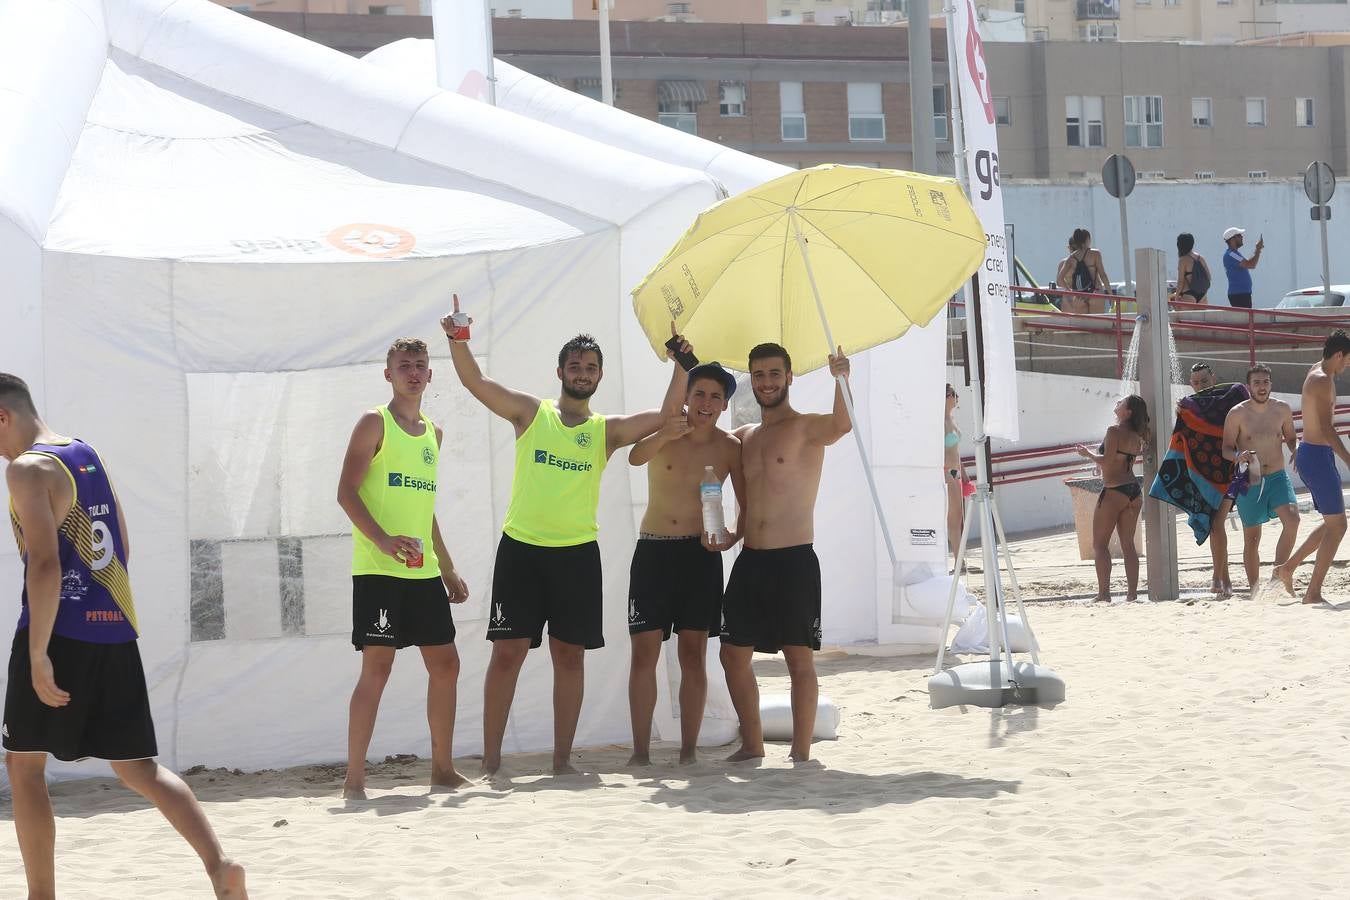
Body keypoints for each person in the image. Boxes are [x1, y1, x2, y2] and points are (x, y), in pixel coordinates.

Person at [0, 373, 247, 899]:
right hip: (113, 626)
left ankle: (40, 895)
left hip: (56, 629)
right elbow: (121, 547)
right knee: (139, 768)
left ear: (3, 417)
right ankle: (220, 866)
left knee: (23, 764)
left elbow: (43, 565)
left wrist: (40, 652)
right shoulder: (87, 454)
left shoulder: (27, 469)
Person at [442, 298, 688, 776]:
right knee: (507, 654)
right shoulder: (532, 414)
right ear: (560, 371)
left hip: (576, 556)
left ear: (599, 377)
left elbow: (663, 417)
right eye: (575, 365)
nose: (582, 372)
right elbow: (476, 383)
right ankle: (491, 762)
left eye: (590, 367)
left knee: (569, 656)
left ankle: (561, 762)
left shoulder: (606, 430)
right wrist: (457, 338)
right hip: (522, 551)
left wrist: (681, 363)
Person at [337, 338, 470, 800]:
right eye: (403, 365)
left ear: (431, 375)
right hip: (378, 570)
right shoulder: (374, 422)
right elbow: (346, 494)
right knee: (378, 667)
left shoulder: (434, 434)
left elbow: (424, 509)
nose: (413, 372)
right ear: (388, 374)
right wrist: (384, 541)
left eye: (420, 365)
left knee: (447, 665)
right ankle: (354, 780)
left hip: (422, 571)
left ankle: (443, 770)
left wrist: (447, 568)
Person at [720, 342, 852, 764]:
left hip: (794, 559)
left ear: (789, 377)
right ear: (752, 381)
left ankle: (801, 751)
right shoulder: (745, 438)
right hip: (751, 559)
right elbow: (699, 432)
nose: (767, 382)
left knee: (799, 660)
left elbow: (842, 424)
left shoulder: (806, 427)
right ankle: (753, 744)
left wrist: (841, 377)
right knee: (732, 656)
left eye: (775, 373)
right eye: (759, 375)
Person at [625, 361, 744, 766]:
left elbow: (745, 502)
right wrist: (663, 433)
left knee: (692, 655)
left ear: (725, 404)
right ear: (687, 397)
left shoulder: (730, 447)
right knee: (644, 652)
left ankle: (688, 751)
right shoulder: (668, 428)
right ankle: (640, 752)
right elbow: (635, 458)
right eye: (699, 394)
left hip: (700, 556)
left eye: (715, 396)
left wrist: (731, 536)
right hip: (654, 550)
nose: (706, 403)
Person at [1273, 331, 1350, 604]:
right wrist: (1348, 458)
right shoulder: (1320, 380)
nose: (1347, 366)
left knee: (1333, 523)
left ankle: (1287, 568)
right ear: (1338, 354)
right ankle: (1313, 592)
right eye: (1347, 360)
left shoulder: (1319, 371)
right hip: (1317, 456)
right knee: (1339, 526)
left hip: (1316, 454)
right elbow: (1327, 428)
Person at [1222, 364, 1298, 596]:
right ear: (1249, 386)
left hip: (1277, 476)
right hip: (1250, 479)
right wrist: (1237, 456)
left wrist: (1296, 449)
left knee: (1293, 521)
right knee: (1252, 538)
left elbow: (1291, 437)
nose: (1261, 386)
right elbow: (1225, 448)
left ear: (1271, 384)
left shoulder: (1282, 409)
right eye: (1257, 383)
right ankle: (1255, 590)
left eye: (1265, 382)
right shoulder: (1237, 413)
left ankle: (1278, 574)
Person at [1075, 396, 1149, 603]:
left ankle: (1104, 594)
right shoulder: (1137, 434)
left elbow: (1107, 462)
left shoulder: (1113, 431)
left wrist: (1087, 454)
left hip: (1114, 490)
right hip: (1133, 491)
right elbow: (1117, 459)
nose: (1116, 404)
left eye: (1121, 403)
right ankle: (1132, 594)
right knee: (1128, 546)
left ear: (1128, 412)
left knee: (1100, 545)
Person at [1189, 363, 1235, 597]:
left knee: (1217, 523)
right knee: (1213, 526)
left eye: (1204, 381)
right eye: (1196, 383)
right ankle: (1222, 579)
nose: (1200, 386)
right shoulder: (1190, 406)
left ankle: (1219, 579)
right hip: (1203, 473)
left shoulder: (1228, 400)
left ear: (1213, 378)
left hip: (1228, 471)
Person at [944, 383, 971, 568]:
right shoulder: (939, 421)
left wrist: (964, 472)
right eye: (953, 394)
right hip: (946, 472)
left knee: (958, 517)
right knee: (952, 518)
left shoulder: (951, 419)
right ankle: (958, 560)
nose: (956, 397)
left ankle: (960, 558)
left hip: (955, 471)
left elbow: (957, 449)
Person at [1056, 228, 1110, 314]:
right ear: (1087, 239)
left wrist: (1070, 291)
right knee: (1098, 324)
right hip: (1095, 293)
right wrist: (1110, 294)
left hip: (1079, 297)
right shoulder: (1095, 254)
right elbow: (1103, 275)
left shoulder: (1070, 258)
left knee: (1083, 325)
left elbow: (1059, 279)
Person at [1222, 227, 1263, 309]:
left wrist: (1258, 250)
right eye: (1239, 235)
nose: (1242, 237)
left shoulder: (1234, 253)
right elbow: (1251, 264)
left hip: (1242, 294)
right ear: (1233, 239)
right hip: (1239, 295)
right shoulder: (1232, 254)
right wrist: (1258, 249)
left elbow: (1249, 264)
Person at [1172, 233, 1212, 304]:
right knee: (1200, 315)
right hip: (1203, 295)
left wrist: (1177, 297)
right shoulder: (1201, 258)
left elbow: (1181, 281)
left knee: (1184, 315)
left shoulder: (1183, 260)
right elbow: (1209, 277)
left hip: (1188, 294)